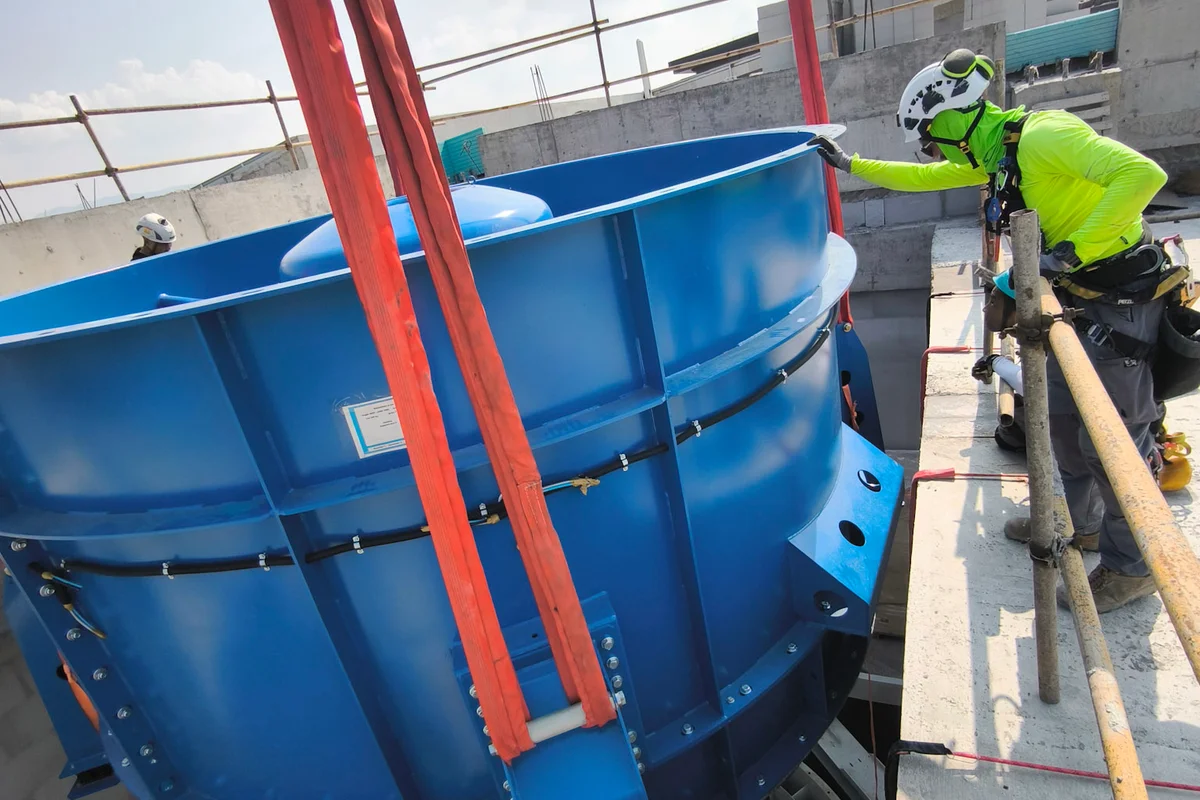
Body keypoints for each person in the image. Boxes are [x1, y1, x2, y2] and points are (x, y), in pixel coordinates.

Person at [813, 48, 1191, 613]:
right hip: (1079, 302)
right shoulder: (1000, 155)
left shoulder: (1040, 138)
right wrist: (851, 166)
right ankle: (1085, 525)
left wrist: (1073, 249)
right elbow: (922, 178)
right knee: (1061, 424)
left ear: (954, 117)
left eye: (932, 136)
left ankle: (1134, 566)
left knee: (1112, 440)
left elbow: (1141, 175)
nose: (934, 149)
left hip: (1122, 303)